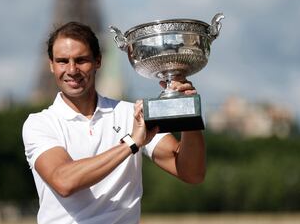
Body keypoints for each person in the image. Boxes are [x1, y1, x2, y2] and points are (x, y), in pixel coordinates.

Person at [22, 22, 206, 224]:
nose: (72, 69)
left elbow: (192, 173)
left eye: (81, 60)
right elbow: (64, 181)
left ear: (98, 61)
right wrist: (131, 143)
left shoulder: (131, 114)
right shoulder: (39, 123)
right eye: (63, 61)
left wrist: (188, 112)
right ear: (51, 65)